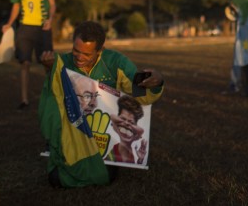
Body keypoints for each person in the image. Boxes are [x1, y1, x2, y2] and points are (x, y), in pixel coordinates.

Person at [39, 21, 164, 187]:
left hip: (104, 135)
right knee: (55, 178)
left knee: (104, 176)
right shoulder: (63, 62)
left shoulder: (116, 62)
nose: (79, 57)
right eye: (76, 51)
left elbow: (143, 96)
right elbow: (52, 96)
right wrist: (49, 68)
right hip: (73, 132)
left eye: (86, 54)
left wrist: (157, 81)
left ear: (99, 51)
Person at [2, 0, 57, 110]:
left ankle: (52, 97)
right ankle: (24, 99)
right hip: (25, 27)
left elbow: (52, 3)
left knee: (48, 63)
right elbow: (16, 5)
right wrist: (9, 23)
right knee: (24, 63)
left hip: (43, 27)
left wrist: (50, 19)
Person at [105, 95, 147, 164]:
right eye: (123, 119)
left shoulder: (132, 153)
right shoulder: (111, 156)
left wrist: (140, 160)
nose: (126, 123)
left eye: (131, 122)